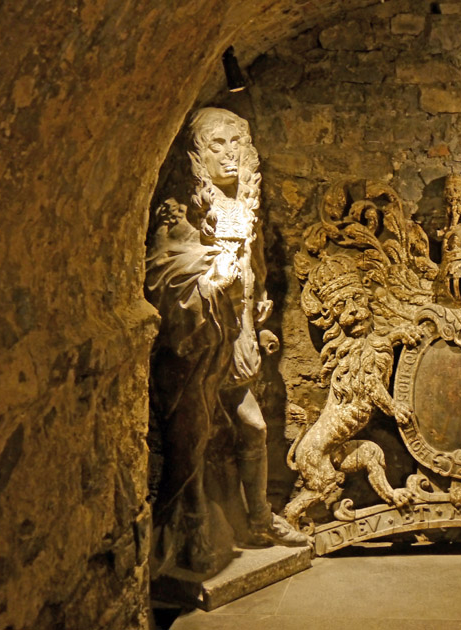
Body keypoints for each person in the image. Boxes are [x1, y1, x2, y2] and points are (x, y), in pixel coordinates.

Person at [146, 107, 306, 575]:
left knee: (253, 429)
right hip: (198, 342)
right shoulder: (180, 207)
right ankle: (192, 526)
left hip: (234, 339)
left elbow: (250, 266)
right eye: (217, 145)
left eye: (236, 144)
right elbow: (162, 270)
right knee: (191, 439)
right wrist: (210, 280)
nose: (229, 154)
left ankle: (258, 518)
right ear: (198, 154)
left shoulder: (243, 202)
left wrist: (254, 312)